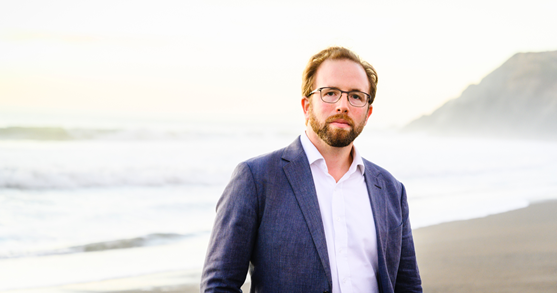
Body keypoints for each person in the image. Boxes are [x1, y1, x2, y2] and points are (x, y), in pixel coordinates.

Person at [201, 47, 422, 293]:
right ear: (306, 106)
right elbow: (219, 285)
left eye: (356, 96)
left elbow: (408, 287)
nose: (343, 105)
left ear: (368, 113)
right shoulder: (256, 179)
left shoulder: (391, 191)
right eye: (330, 93)